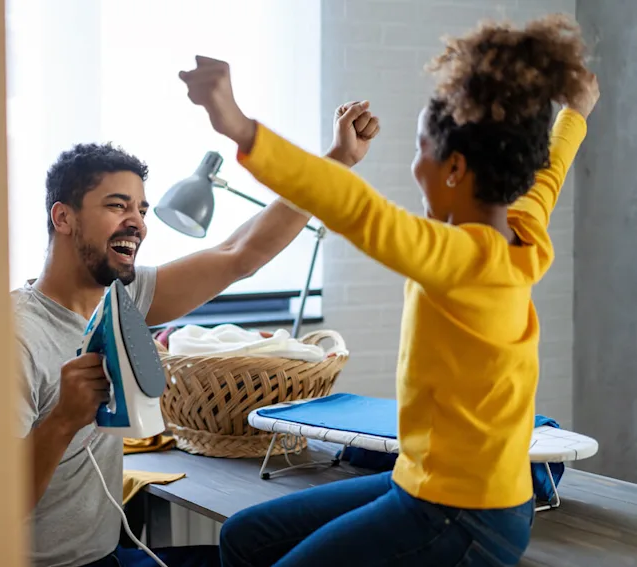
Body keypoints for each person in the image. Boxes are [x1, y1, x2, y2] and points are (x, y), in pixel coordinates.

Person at [178, 13, 599, 567]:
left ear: (453, 168)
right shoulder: (522, 229)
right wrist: (574, 115)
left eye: (419, 149)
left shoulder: (456, 259)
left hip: (464, 514)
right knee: (245, 537)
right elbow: (552, 171)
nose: (413, 164)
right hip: (425, 485)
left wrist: (237, 124)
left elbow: (353, 208)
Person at [0, 107, 380, 565]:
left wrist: (337, 160)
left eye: (141, 209)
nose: (137, 221)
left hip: (108, 556)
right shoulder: (6, 342)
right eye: (117, 205)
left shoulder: (122, 299)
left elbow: (239, 254)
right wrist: (62, 420)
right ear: (63, 218)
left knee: (258, 546)